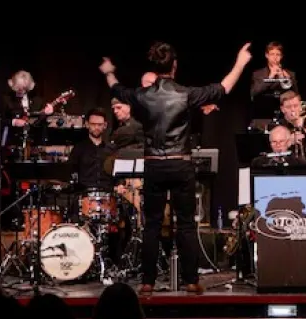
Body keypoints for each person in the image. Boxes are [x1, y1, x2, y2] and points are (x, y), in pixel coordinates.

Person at [100, 41, 252, 294]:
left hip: (154, 166)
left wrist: (108, 72)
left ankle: (147, 281)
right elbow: (223, 88)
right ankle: (191, 280)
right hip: (180, 164)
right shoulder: (185, 93)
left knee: (152, 225)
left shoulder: (142, 95)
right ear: (174, 66)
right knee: (186, 225)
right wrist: (240, 62)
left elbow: (117, 88)